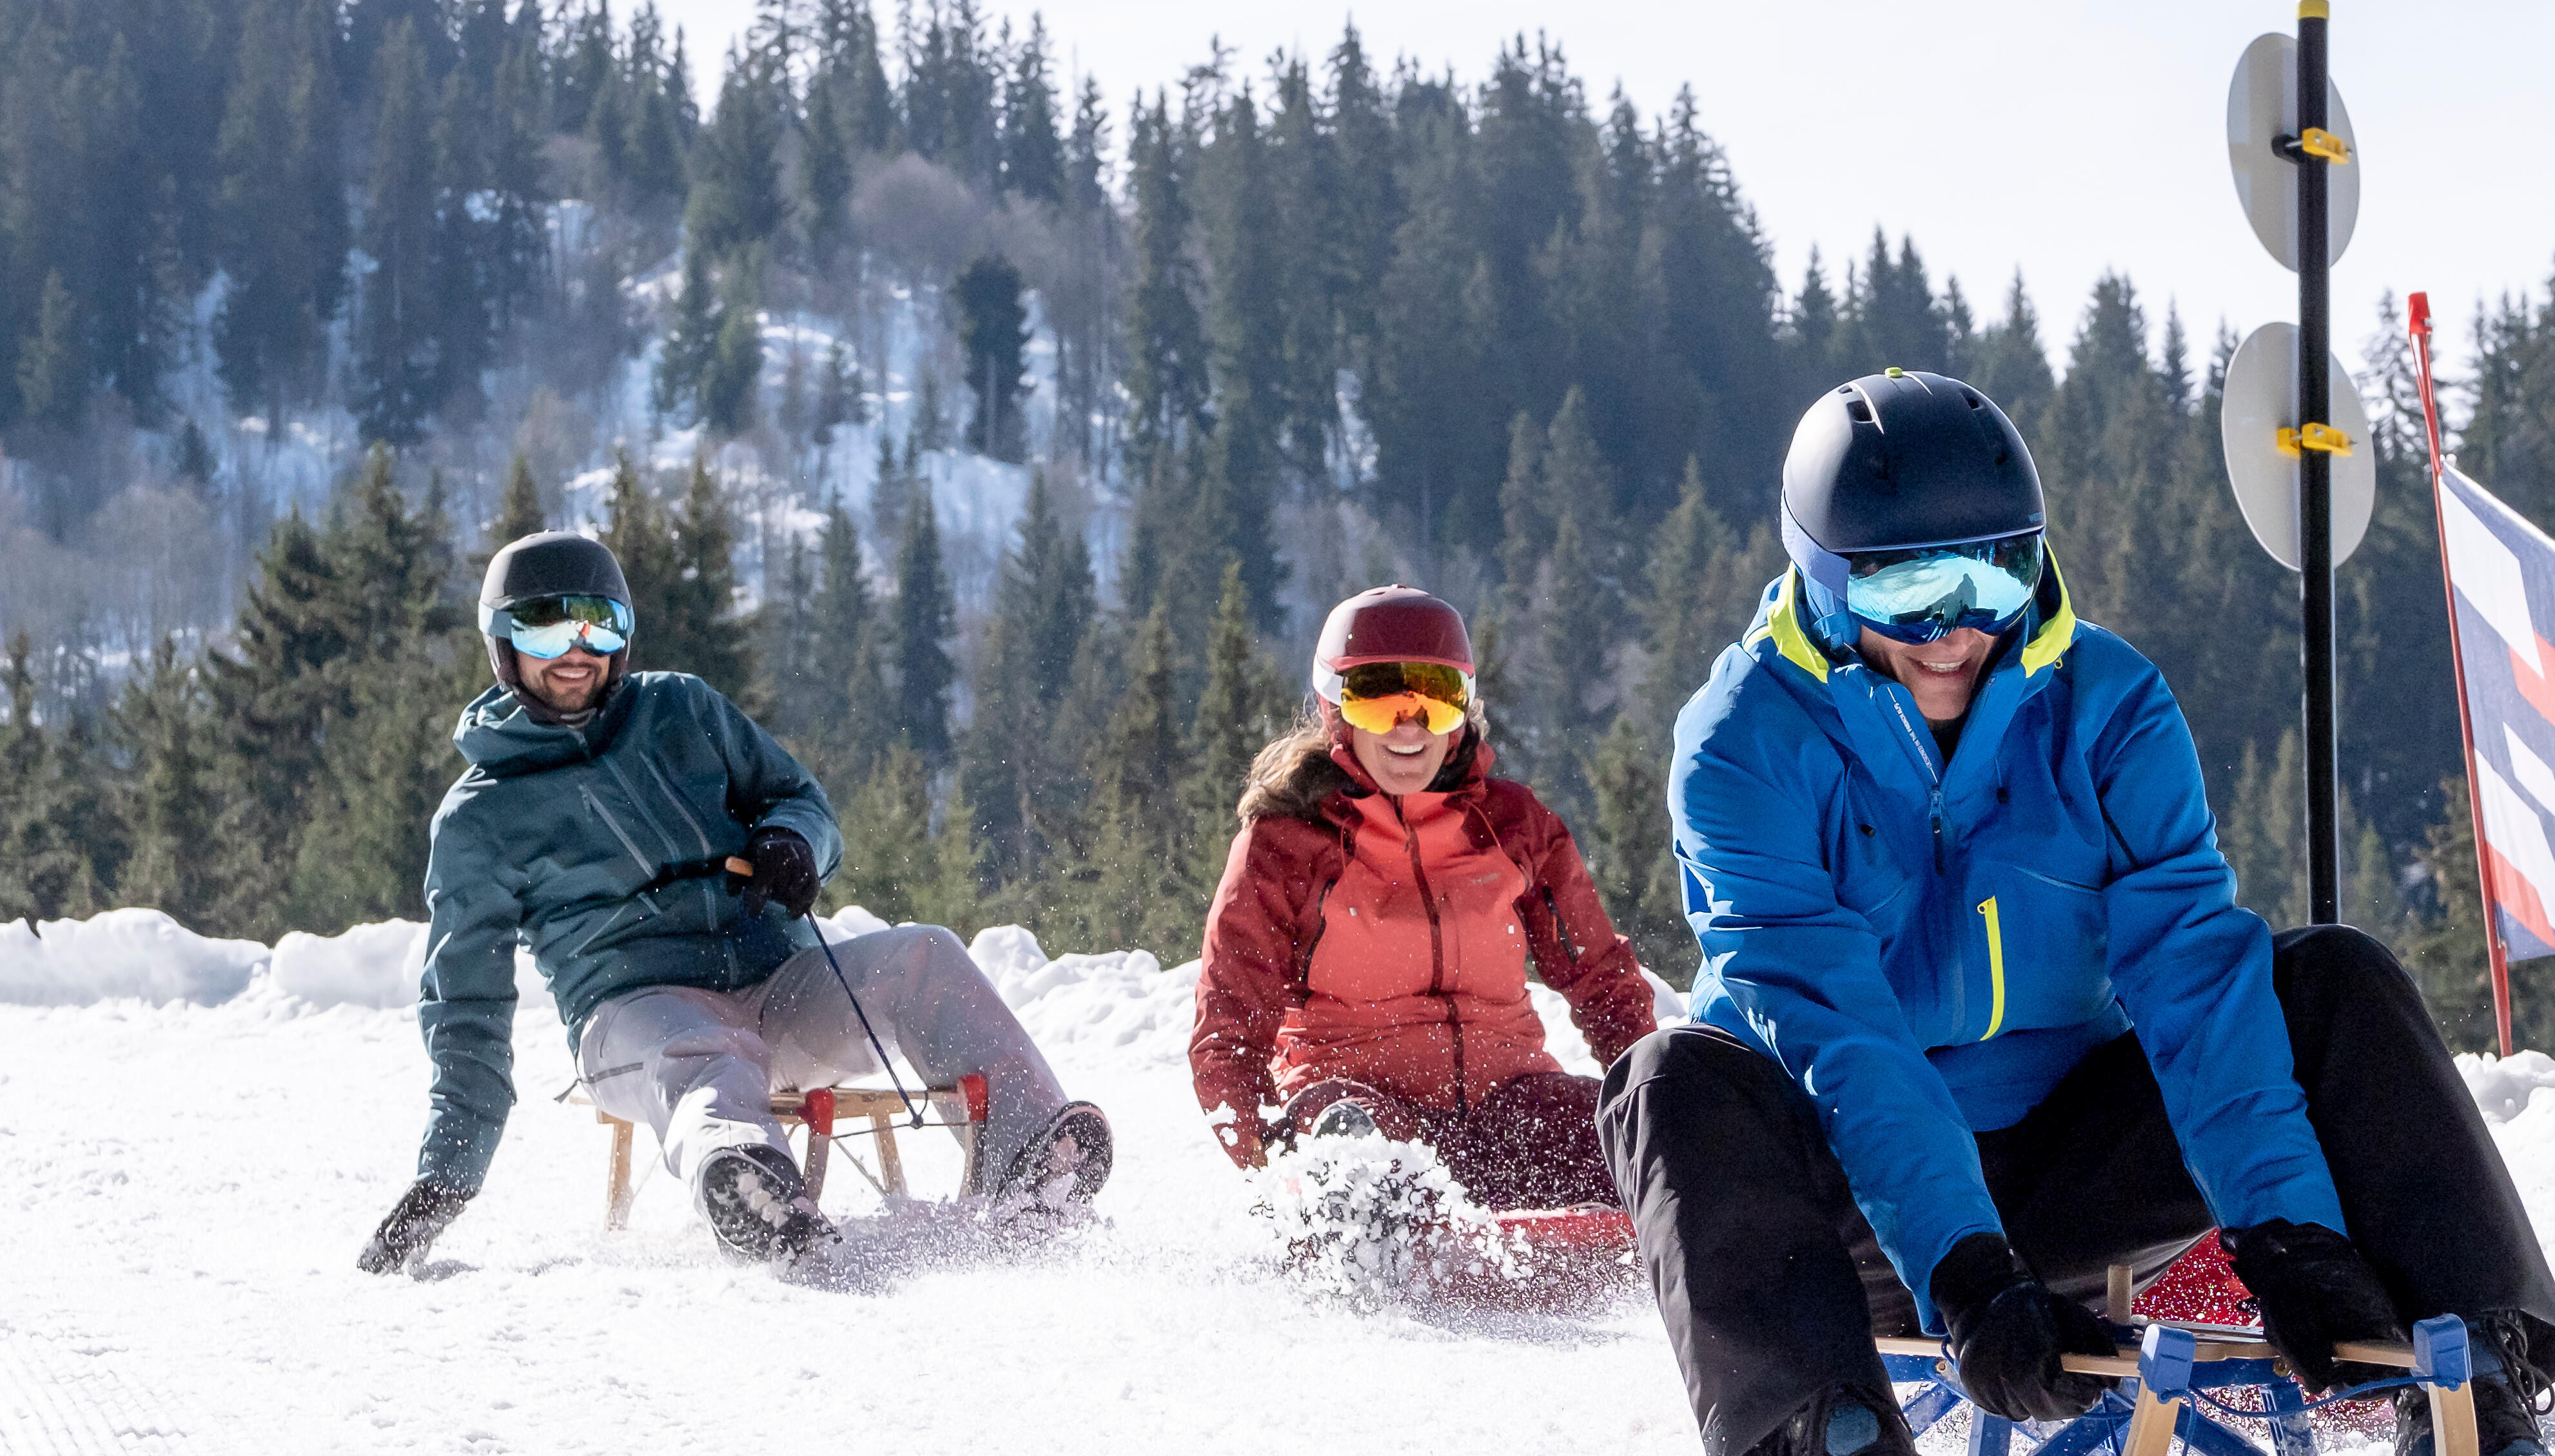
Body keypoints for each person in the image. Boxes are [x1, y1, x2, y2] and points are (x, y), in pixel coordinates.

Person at [1597, 371, 2555, 1456]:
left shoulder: (2107, 705)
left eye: (1990, 580)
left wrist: (2286, 1233)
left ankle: (2472, 1409)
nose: (1950, 629)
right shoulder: (1741, 741)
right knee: (1666, 1076)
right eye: (1905, 589)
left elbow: (2192, 980)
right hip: (1844, 1210)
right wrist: (1964, 1274)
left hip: (2072, 1174)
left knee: (2329, 977)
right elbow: (1841, 1030)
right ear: (1820, 580)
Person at [357, 531, 1110, 1276]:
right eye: (547, 625)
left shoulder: (679, 708)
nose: (577, 648)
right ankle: (749, 1184)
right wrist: (447, 1174)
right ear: (501, 643)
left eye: (599, 623)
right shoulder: (479, 817)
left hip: (775, 981)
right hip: (633, 1016)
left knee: (925, 954)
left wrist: (794, 841)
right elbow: (465, 1003)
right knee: (703, 1055)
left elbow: (799, 797)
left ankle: (1034, 1164)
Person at [1191, 586, 1659, 1211]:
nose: (1408, 726)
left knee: (1629, 1141)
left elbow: (1600, 976)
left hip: (1507, 1110)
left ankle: (1662, 1219)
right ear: (1336, 708)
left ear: (1463, 709)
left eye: (1435, 702)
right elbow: (1228, 1028)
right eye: (1379, 699)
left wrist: (1652, 1105)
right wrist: (1268, 1167)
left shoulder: (1514, 824)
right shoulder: (1287, 844)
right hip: (1361, 1110)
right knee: (1351, 1139)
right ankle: (1371, 1223)